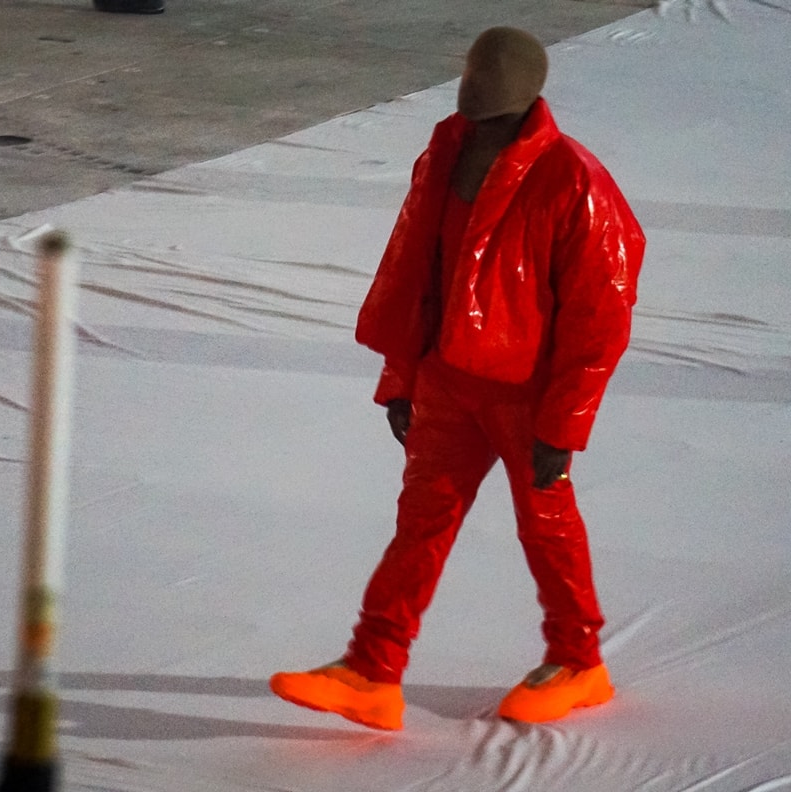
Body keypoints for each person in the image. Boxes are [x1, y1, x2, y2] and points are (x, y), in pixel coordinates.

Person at [269, 27, 645, 730]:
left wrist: (562, 423)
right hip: (446, 379)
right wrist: (403, 374)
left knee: (546, 525)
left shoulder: (574, 181)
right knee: (420, 525)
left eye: (494, 110)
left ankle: (580, 657)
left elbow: (601, 313)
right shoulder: (445, 152)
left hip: (524, 391)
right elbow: (419, 270)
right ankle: (373, 668)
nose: (481, 121)